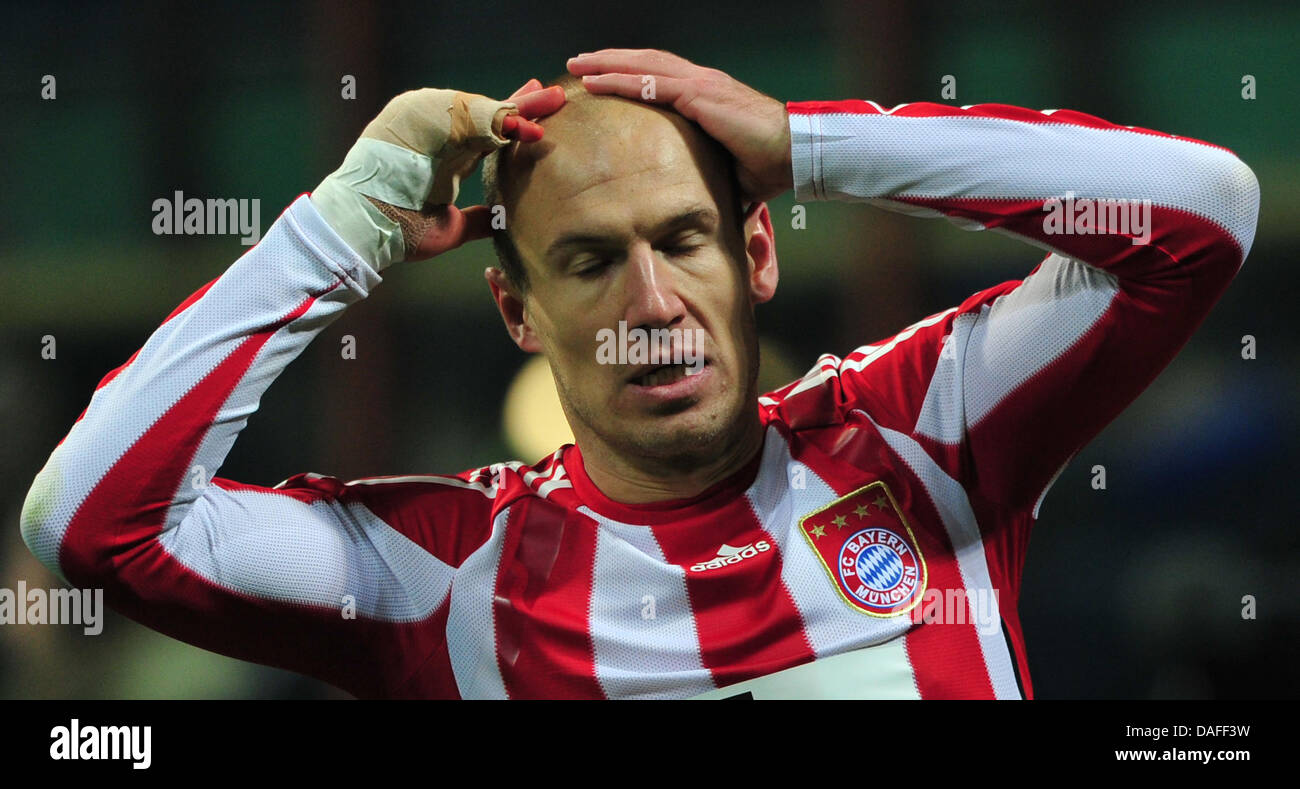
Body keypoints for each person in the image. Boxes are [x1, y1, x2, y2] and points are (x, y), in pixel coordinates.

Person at [20, 48, 1259, 699]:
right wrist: (351, 216)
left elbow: (1201, 212)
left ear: (756, 251)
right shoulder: (445, 579)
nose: (654, 303)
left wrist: (809, 142)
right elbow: (89, 522)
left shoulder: (916, 438)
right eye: (590, 261)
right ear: (518, 309)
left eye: (682, 240)